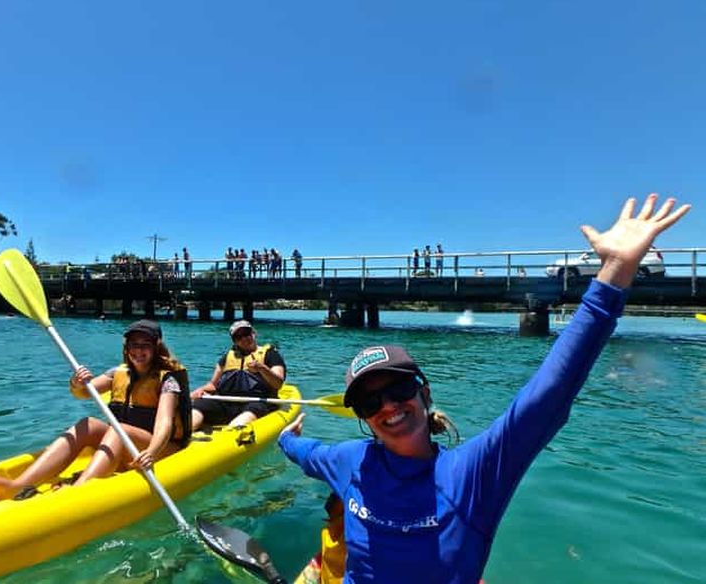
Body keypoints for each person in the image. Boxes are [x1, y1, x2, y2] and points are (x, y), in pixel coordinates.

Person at [278, 194, 690, 583]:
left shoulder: (473, 474)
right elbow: (308, 453)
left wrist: (613, 275)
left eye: (399, 389)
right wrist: (284, 438)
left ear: (425, 393)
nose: (388, 406)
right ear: (363, 418)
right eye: (370, 401)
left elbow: (548, 395)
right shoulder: (349, 460)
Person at [0, 319, 192, 500]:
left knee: (121, 430)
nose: (138, 350)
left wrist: (152, 453)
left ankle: (78, 490)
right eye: (133, 344)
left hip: (161, 449)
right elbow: (82, 393)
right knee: (88, 424)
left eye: (145, 345)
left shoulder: (168, 379)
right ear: (126, 348)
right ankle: (18, 486)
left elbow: (164, 422)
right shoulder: (118, 373)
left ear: (156, 347)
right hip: (127, 444)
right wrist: (78, 383)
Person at [190, 320, 286, 429]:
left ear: (253, 333)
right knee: (199, 405)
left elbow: (278, 383)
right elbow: (213, 385)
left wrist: (262, 368)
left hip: (256, 402)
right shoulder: (227, 357)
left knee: (250, 412)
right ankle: (185, 433)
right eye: (238, 337)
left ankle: (231, 433)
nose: (244, 339)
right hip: (225, 401)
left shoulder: (270, 354)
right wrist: (197, 391)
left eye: (246, 333)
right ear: (234, 341)